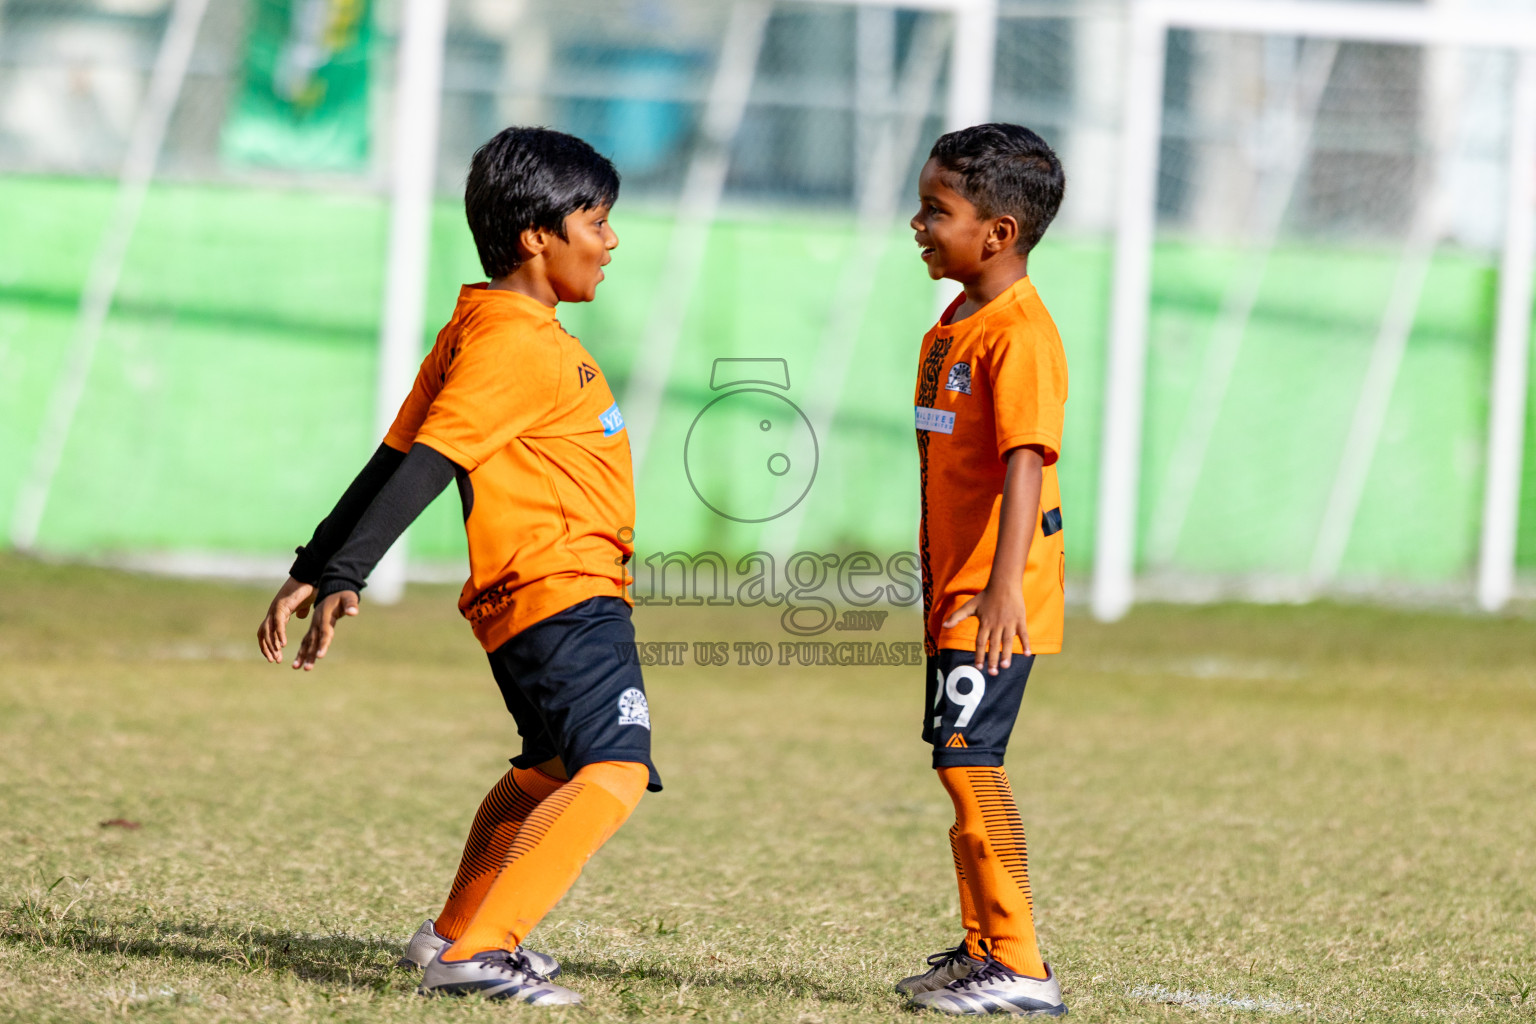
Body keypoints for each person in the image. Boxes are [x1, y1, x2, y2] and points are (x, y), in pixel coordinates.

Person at [254, 126, 658, 1007]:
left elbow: (394, 456)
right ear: (536, 237)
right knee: (614, 771)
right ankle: (479, 952)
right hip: (564, 593)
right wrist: (344, 572)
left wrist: (318, 564)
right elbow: (425, 468)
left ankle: (449, 932)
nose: (612, 240)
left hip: (534, 600)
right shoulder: (517, 342)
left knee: (547, 769)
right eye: (598, 220)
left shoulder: (479, 323)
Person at [897, 122, 1070, 1016]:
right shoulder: (953, 324)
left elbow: (1025, 459)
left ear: (997, 232)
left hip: (992, 598)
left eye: (937, 209)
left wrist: (1001, 589)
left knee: (972, 761)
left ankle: (1022, 965)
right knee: (956, 759)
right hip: (954, 590)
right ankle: (985, 947)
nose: (918, 223)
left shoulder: (1019, 335)